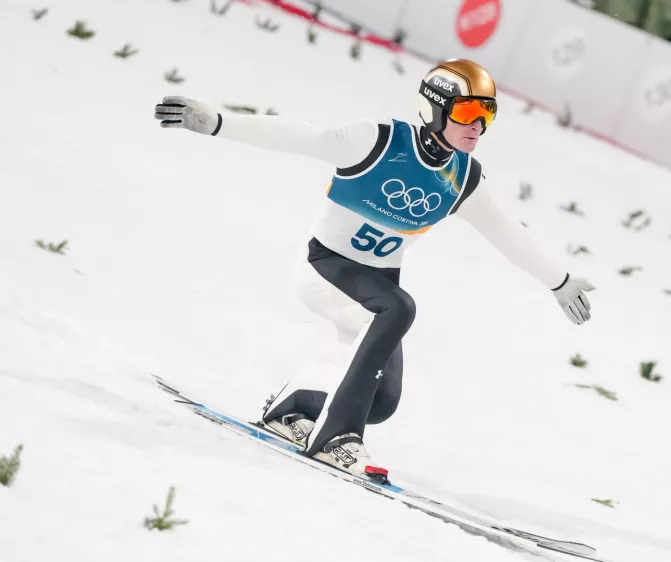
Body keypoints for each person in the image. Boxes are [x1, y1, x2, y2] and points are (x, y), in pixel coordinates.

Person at [152, 59, 596, 483]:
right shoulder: (377, 140)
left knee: (380, 401)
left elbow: (507, 232)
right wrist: (218, 122)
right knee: (400, 309)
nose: (477, 126)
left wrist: (558, 281)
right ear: (434, 109)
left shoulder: (463, 177)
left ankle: (293, 411)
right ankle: (336, 438)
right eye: (467, 112)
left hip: (374, 295)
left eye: (487, 114)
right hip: (325, 270)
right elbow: (297, 136)